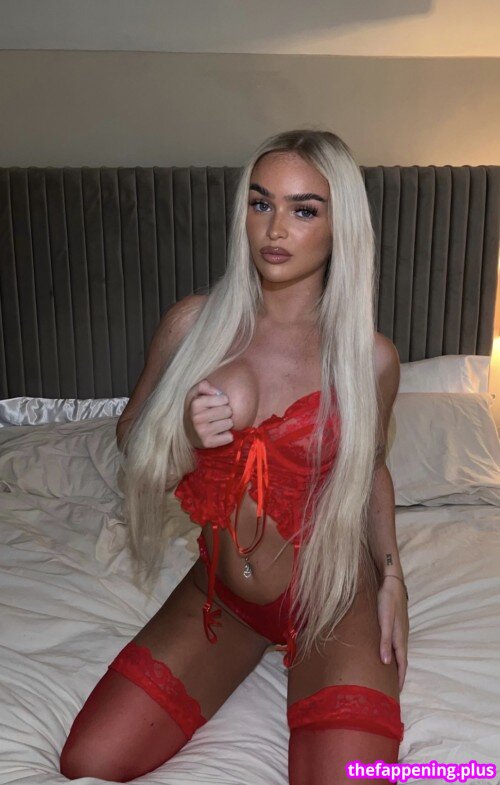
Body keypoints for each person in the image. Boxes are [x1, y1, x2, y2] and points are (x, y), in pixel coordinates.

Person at [59, 129, 409, 784]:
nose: (275, 228)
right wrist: (180, 432)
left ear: (341, 227)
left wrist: (392, 576)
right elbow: (129, 433)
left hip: (333, 596)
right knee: (88, 762)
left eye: (304, 210)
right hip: (223, 596)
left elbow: (370, 470)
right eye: (260, 202)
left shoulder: (369, 357)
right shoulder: (193, 325)